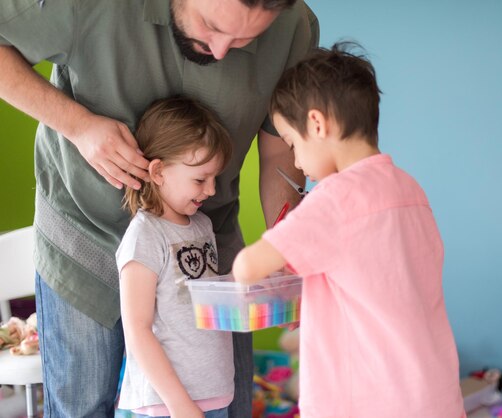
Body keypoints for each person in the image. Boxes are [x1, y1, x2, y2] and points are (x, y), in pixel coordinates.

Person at [0, 0, 318, 416]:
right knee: (82, 405)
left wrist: (285, 245)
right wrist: (77, 124)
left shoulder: (294, 26)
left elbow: (280, 154)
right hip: (84, 232)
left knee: (232, 401)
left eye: (245, 40)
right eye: (210, 26)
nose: (221, 52)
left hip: (208, 249)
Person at [232, 43, 466, 418]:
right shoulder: (410, 189)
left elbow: (248, 267)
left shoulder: (335, 199)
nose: (295, 160)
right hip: (432, 394)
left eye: (292, 144)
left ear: (317, 124)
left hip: (366, 401)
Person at [117, 96, 234, 418]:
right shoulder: (145, 235)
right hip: (166, 405)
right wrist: (178, 403)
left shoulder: (202, 224)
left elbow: (201, 298)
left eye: (214, 179)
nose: (210, 191)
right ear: (158, 171)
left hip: (213, 394)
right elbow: (137, 329)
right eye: (200, 179)